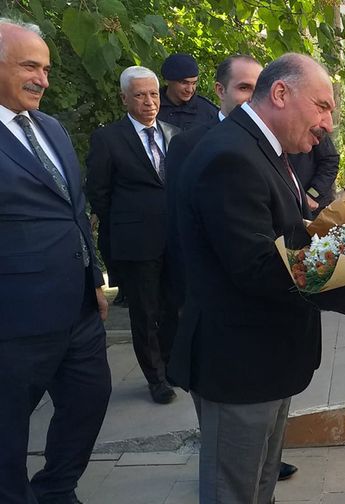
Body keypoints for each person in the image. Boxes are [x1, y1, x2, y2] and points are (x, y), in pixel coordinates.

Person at [168, 53, 345, 503]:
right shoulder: (230, 154)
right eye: (323, 106)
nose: (329, 123)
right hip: (240, 365)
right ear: (281, 93)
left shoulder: (263, 148)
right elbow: (257, 268)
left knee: (259, 488)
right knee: (235, 492)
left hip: (268, 360)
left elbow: (287, 237)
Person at [0, 18, 111, 504]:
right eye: (30, 66)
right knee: (7, 431)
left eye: (45, 68)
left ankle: (56, 489)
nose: (42, 79)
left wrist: (94, 280)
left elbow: (74, 209)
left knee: (90, 400)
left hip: (79, 312)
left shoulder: (51, 128)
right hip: (14, 321)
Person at [85, 66, 181, 405]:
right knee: (146, 313)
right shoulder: (109, 138)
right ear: (124, 98)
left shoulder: (174, 134)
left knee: (173, 308)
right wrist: (126, 226)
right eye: (139, 95)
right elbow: (99, 192)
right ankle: (156, 380)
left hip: (175, 241)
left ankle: (173, 367)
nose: (149, 102)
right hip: (137, 244)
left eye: (153, 94)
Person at [165, 54, 263, 308]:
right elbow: (178, 225)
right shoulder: (188, 145)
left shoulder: (276, 144)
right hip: (210, 297)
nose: (252, 97)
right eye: (244, 88)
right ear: (220, 90)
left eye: (258, 88)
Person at [157, 53, 219, 131]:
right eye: (184, 83)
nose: (190, 89)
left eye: (194, 83)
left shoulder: (209, 113)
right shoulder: (150, 106)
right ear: (167, 81)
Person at [288, 133, 339, 217]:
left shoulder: (313, 126)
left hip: (315, 206)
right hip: (287, 208)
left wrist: (313, 194)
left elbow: (330, 161)